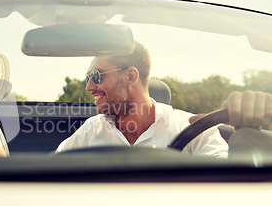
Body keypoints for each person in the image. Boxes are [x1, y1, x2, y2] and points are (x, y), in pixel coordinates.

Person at [56, 42, 272, 157]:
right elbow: (53, 177)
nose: (89, 87)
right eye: (88, 78)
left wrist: (247, 138)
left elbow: (226, 190)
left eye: (96, 76)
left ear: (130, 76)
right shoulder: (90, 131)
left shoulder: (194, 129)